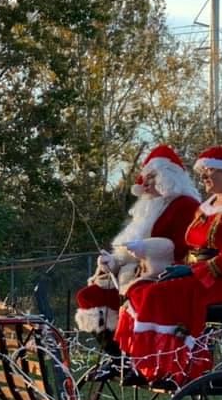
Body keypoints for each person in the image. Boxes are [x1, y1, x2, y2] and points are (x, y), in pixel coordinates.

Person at [114, 145, 222, 383]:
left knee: (160, 294)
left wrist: (193, 271)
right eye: (203, 171)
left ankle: (173, 363)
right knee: (139, 289)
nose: (204, 176)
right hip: (198, 274)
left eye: (210, 170)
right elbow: (192, 247)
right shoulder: (207, 207)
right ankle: (146, 362)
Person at [74, 144, 200, 344]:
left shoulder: (185, 205)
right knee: (89, 295)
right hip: (130, 274)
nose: (145, 183)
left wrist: (147, 251)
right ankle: (115, 354)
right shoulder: (147, 207)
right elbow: (127, 251)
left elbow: (180, 248)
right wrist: (112, 262)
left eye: (152, 178)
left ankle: (132, 353)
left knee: (137, 296)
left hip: (161, 274)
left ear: (168, 178)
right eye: (145, 178)